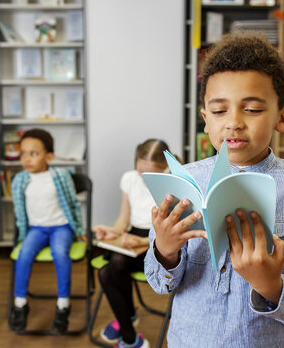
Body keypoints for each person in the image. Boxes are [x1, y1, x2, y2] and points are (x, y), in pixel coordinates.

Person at [144, 31, 284, 347]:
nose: (233, 122)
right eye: (220, 111)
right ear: (205, 120)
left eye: (251, 109)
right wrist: (165, 251)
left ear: (282, 116)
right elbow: (159, 283)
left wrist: (272, 286)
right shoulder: (184, 180)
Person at [94, 139, 171, 348]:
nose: (141, 177)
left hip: (158, 241)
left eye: (148, 174)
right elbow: (123, 220)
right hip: (133, 236)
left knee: (110, 270)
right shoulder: (129, 179)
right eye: (139, 171)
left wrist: (146, 241)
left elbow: (172, 234)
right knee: (109, 267)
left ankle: (127, 325)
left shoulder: (171, 184)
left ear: (164, 167)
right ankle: (129, 331)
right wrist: (111, 232)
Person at [11, 128, 83, 334]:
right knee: (24, 254)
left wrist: (78, 229)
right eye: (23, 153)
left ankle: (63, 304)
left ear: (49, 156)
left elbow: (73, 203)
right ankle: (20, 303)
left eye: (33, 154)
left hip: (61, 227)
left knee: (60, 253)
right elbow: (19, 211)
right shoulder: (19, 181)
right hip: (36, 229)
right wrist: (21, 234)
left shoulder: (60, 176)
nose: (27, 159)